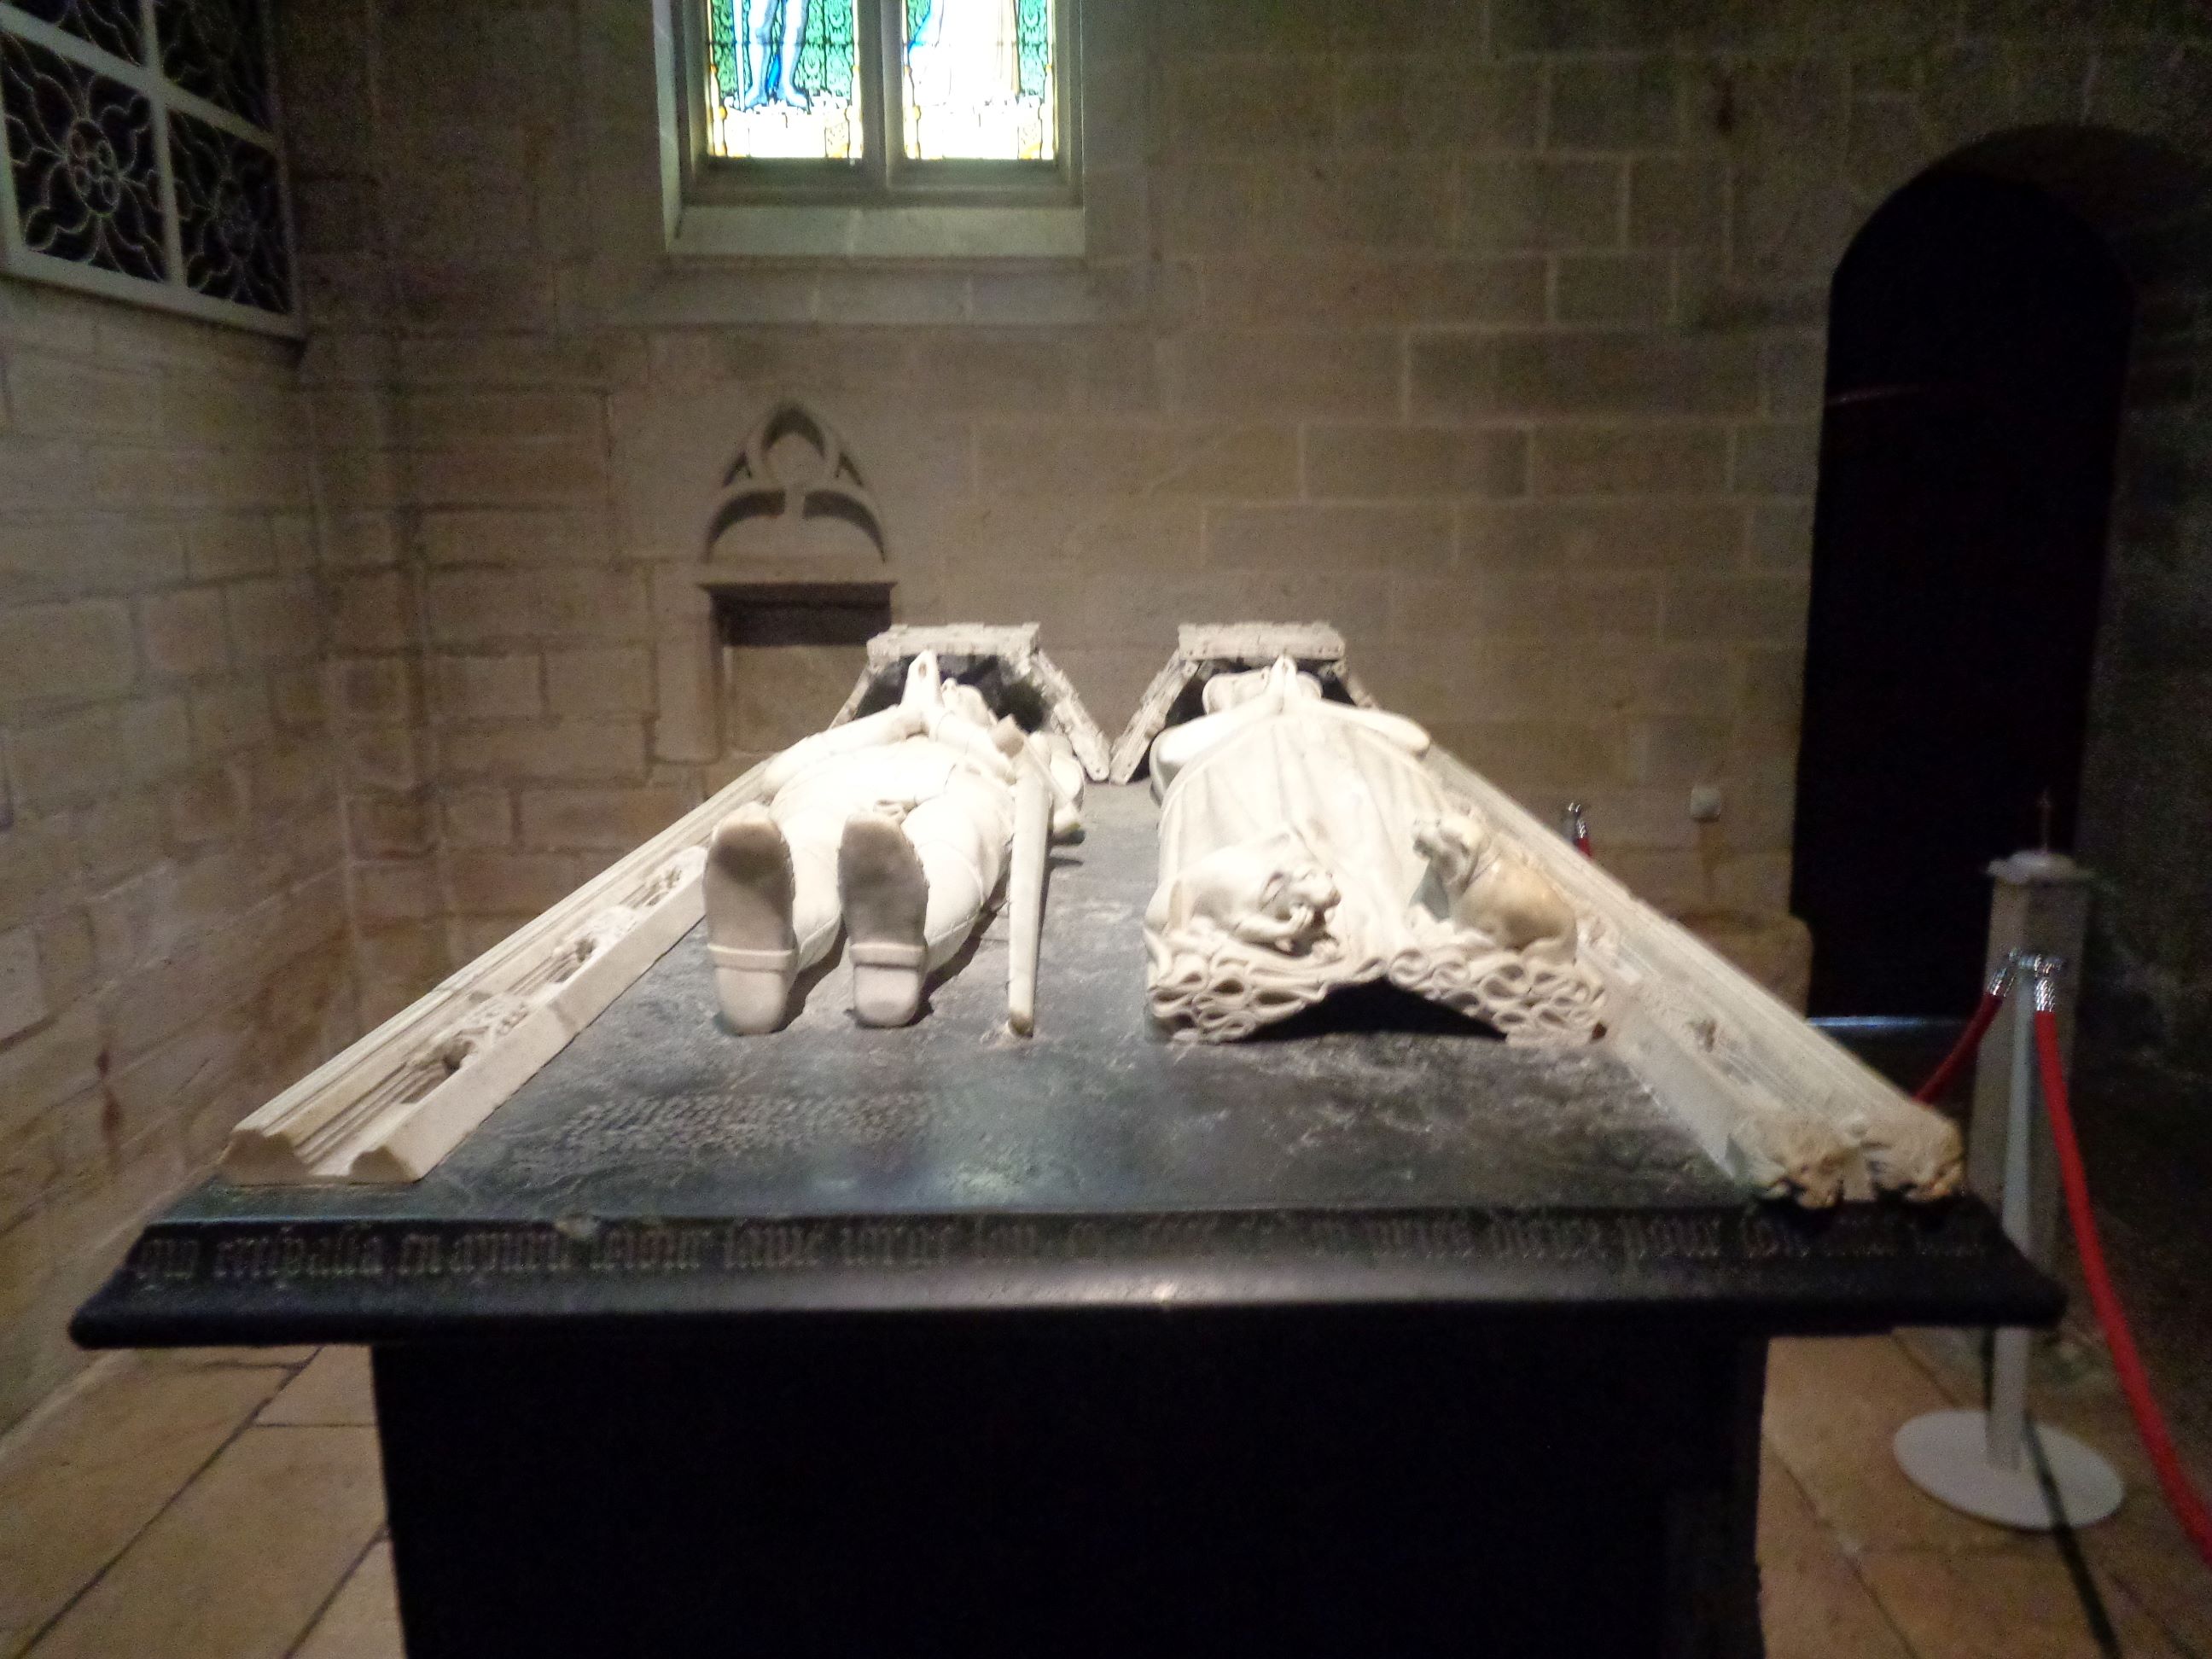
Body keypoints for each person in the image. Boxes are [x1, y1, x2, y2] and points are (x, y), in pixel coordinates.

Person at [706, 652, 1080, 1032]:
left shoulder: (1008, 743)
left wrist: (942, 720)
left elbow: (1062, 801)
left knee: (951, 843)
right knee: (808, 840)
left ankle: (900, 946)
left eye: (959, 695)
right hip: (839, 783)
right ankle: (771, 945)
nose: (941, 693)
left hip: (955, 784)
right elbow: (775, 776)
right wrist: (892, 721)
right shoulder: (861, 739)